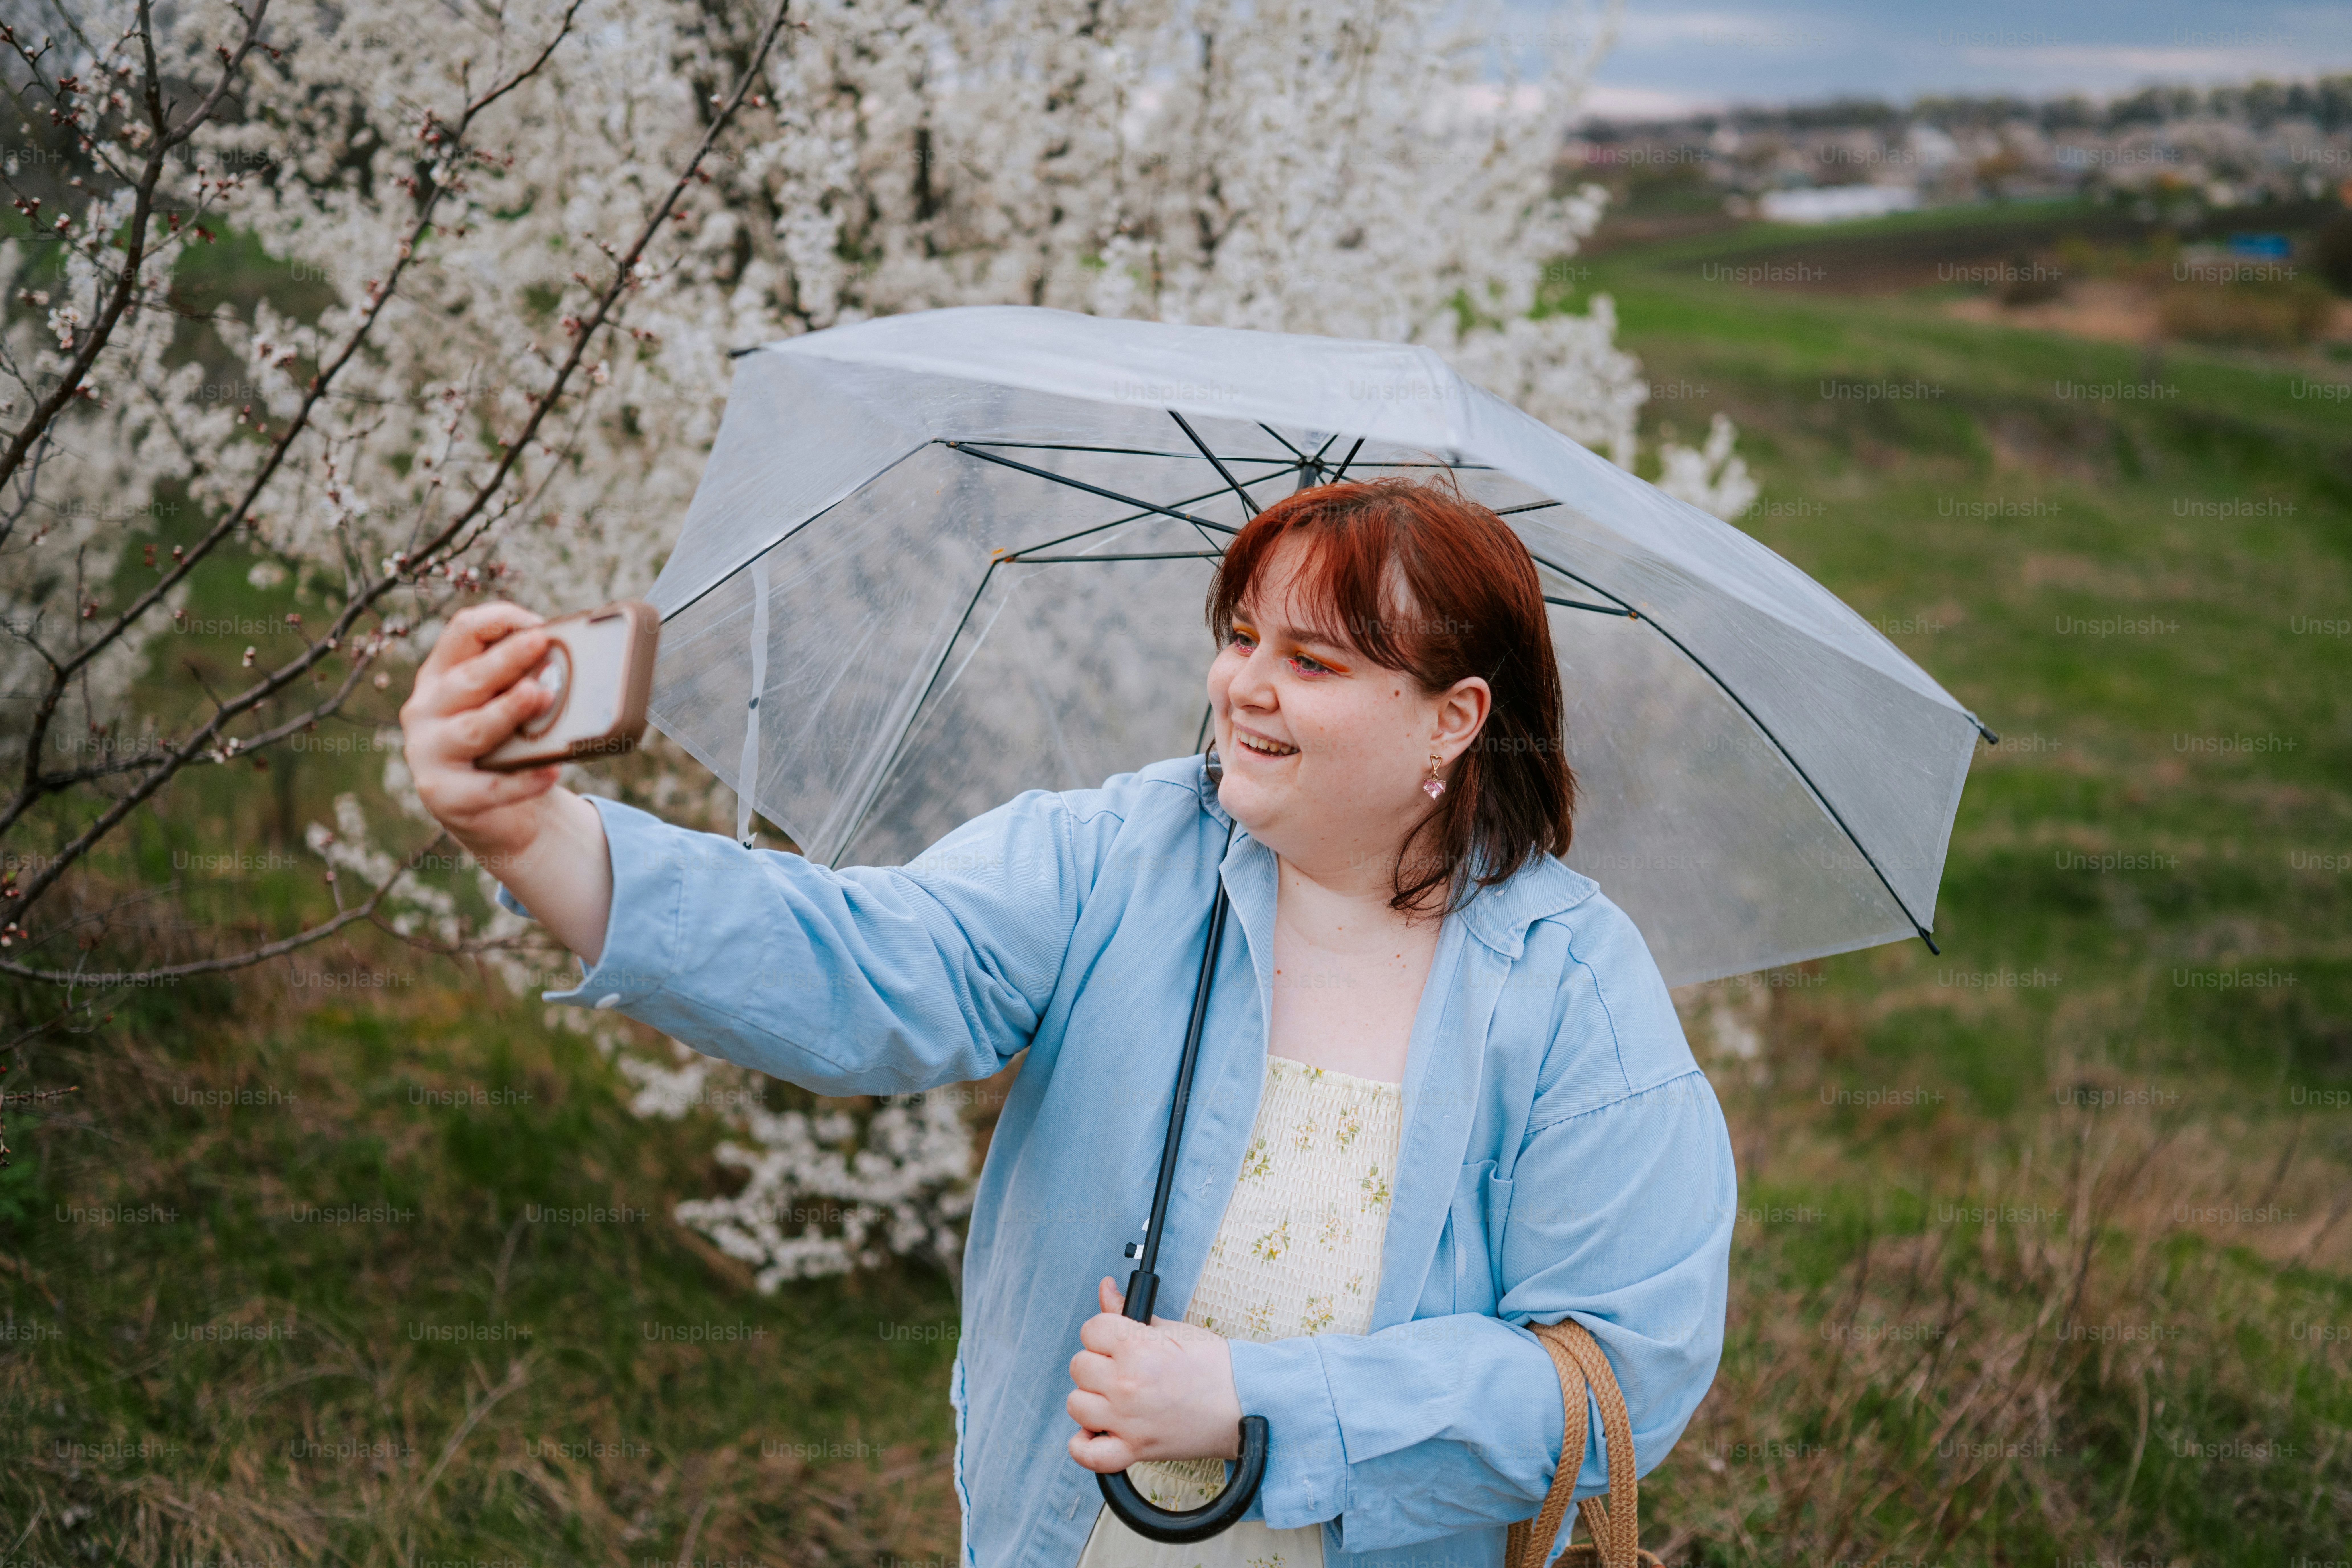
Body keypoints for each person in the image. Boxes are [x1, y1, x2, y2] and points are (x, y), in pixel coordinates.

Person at [402, 476, 1738, 1568]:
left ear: (1453, 718)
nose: (1244, 688)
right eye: (1239, 637)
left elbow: (1621, 1376)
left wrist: (1258, 1399)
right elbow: (866, 968)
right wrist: (541, 835)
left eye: (1314, 659)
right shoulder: (1120, 854)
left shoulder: (1574, 986)